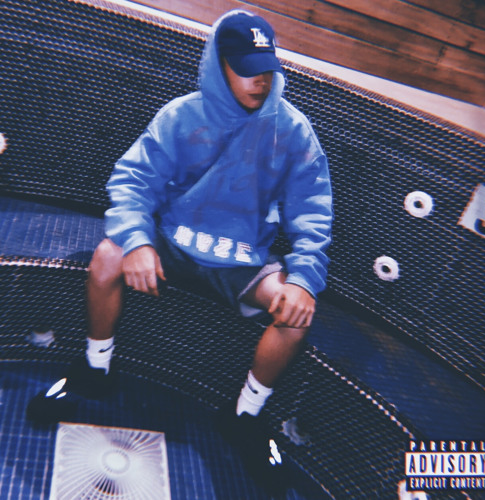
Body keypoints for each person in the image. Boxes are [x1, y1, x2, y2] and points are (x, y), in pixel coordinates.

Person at [27, 9, 333, 493]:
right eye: (246, 69)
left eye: (266, 68)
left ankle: (244, 416)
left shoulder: (293, 131)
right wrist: (138, 242)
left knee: (296, 316)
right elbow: (133, 181)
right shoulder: (181, 115)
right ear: (219, 65)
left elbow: (313, 212)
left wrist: (302, 279)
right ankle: (94, 369)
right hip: (172, 243)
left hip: (242, 261)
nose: (259, 80)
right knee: (107, 257)